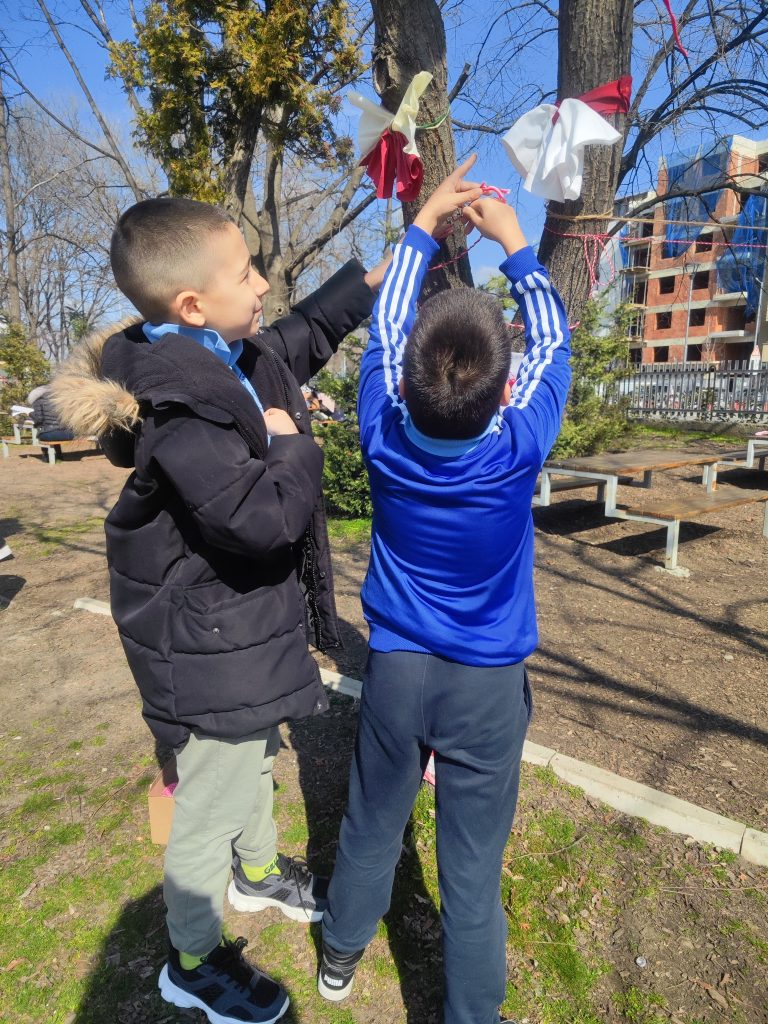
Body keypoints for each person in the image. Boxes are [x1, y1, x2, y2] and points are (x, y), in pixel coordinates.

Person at [52, 196, 390, 1024]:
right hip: (207, 647)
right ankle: (194, 960)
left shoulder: (219, 353)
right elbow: (259, 519)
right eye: (246, 274)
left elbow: (302, 335)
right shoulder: (182, 411)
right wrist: (292, 445)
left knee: (252, 754)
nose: (264, 283)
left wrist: (385, 271)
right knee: (207, 805)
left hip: (238, 636)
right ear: (193, 305)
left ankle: (259, 871)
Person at [317, 156, 572, 1024]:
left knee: (371, 821)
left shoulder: (382, 431)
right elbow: (556, 343)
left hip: (397, 671)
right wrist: (517, 246)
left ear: (407, 383)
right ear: (508, 390)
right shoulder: (519, 445)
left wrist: (425, 223)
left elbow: (386, 329)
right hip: (486, 687)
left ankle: (339, 957)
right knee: (471, 870)